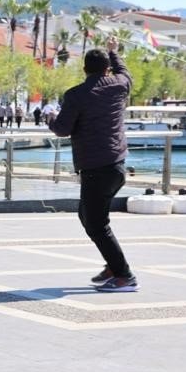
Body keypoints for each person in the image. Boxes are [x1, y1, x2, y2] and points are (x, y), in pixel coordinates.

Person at [49, 35, 136, 293]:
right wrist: (114, 51)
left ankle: (125, 276)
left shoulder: (76, 95)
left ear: (84, 69)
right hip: (116, 167)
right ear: (107, 68)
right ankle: (113, 265)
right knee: (88, 216)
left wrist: (51, 118)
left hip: (96, 169)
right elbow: (124, 72)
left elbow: (62, 129)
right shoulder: (120, 85)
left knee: (96, 223)